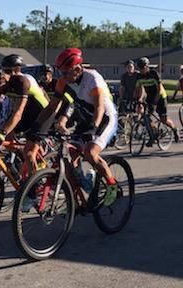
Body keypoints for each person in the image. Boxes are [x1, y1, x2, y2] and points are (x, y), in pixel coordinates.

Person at [33, 48, 120, 205]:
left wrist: (93, 128)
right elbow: (52, 107)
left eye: (66, 73)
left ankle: (112, 185)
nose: (63, 77)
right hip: (85, 119)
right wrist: (37, 126)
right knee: (69, 156)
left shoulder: (92, 78)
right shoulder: (63, 82)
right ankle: (78, 198)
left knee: (90, 152)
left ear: (78, 69)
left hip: (105, 118)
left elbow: (100, 106)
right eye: (61, 73)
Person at [134, 57, 179, 142]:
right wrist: (136, 100)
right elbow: (137, 89)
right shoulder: (139, 76)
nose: (141, 70)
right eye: (140, 68)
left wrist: (155, 102)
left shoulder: (154, 74)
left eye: (143, 68)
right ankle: (155, 133)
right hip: (150, 97)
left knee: (163, 119)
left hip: (161, 96)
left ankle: (174, 129)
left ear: (147, 67)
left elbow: (159, 90)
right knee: (146, 118)